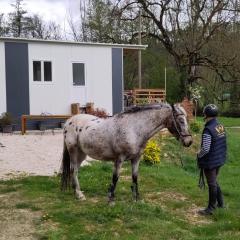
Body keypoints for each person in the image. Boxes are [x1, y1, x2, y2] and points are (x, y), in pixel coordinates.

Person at [197, 104, 227, 215]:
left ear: (206, 114)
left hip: (211, 161)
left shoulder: (208, 129)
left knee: (212, 183)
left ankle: (210, 208)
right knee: (214, 181)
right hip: (219, 158)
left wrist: (199, 155)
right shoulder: (220, 126)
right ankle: (221, 204)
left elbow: (205, 148)